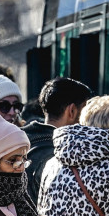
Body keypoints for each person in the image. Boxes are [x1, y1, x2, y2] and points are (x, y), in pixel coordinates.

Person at [23, 77, 92, 205]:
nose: (87, 120)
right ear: (71, 111)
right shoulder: (63, 155)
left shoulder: (20, 141)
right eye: (86, 111)